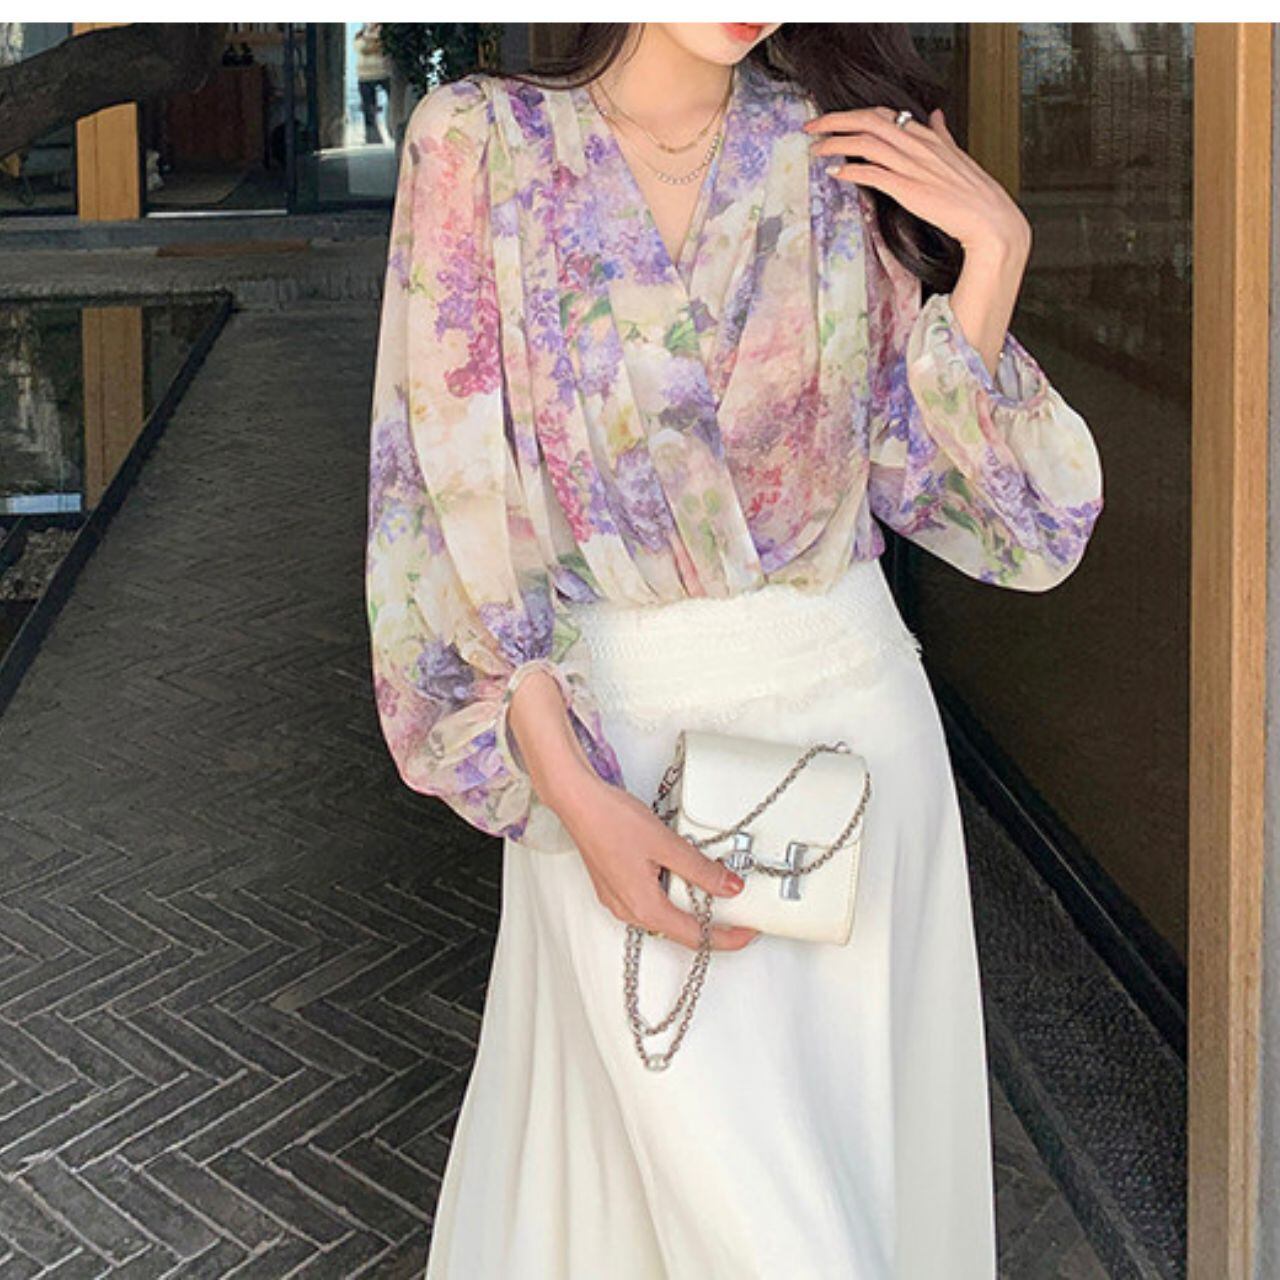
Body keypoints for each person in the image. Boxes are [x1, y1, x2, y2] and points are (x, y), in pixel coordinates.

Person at [365, 22, 1103, 1280]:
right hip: (612, 762)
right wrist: (574, 795)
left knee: (845, 1213)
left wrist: (990, 260)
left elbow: (949, 499)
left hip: (856, 749)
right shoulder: (478, 145)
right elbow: (449, 504)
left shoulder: (831, 149)